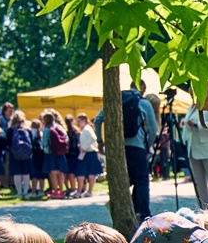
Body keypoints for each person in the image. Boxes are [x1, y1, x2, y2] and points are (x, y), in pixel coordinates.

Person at [94, 82, 159, 218]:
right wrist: (148, 146)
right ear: (143, 90)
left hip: (116, 148)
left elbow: (98, 120)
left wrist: (100, 141)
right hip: (136, 146)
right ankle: (143, 213)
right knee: (141, 180)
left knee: (122, 179)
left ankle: (119, 210)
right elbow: (153, 130)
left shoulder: (116, 100)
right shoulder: (144, 103)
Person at [41, 110, 70, 199]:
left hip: (50, 153)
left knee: (53, 173)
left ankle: (55, 191)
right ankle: (61, 191)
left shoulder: (46, 129)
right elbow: (66, 139)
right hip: (60, 153)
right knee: (61, 172)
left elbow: (44, 143)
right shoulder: (59, 127)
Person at [74, 113, 103, 197]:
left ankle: (87, 191)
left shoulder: (87, 128)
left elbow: (93, 138)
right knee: (86, 172)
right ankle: (83, 191)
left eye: (80, 121)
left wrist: (84, 147)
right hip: (86, 153)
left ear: (84, 120)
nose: (79, 123)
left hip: (89, 152)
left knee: (88, 172)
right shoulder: (84, 129)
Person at [8, 113, 33, 199]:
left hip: (15, 154)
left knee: (17, 173)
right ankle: (25, 192)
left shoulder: (11, 129)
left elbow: (8, 143)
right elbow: (31, 142)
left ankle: (19, 192)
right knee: (26, 173)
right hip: (26, 154)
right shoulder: (27, 129)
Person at [64, 113, 82, 196]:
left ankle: (73, 188)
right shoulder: (77, 132)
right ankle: (81, 188)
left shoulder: (66, 132)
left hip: (68, 155)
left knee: (71, 172)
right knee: (78, 171)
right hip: (77, 154)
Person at [29, 118, 46, 200]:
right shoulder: (41, 133)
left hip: (34, 156)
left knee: (34, 175)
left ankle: (33, 191)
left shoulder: (30, 133)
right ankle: (42, 191)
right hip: (42, 156)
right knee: (41, 175)